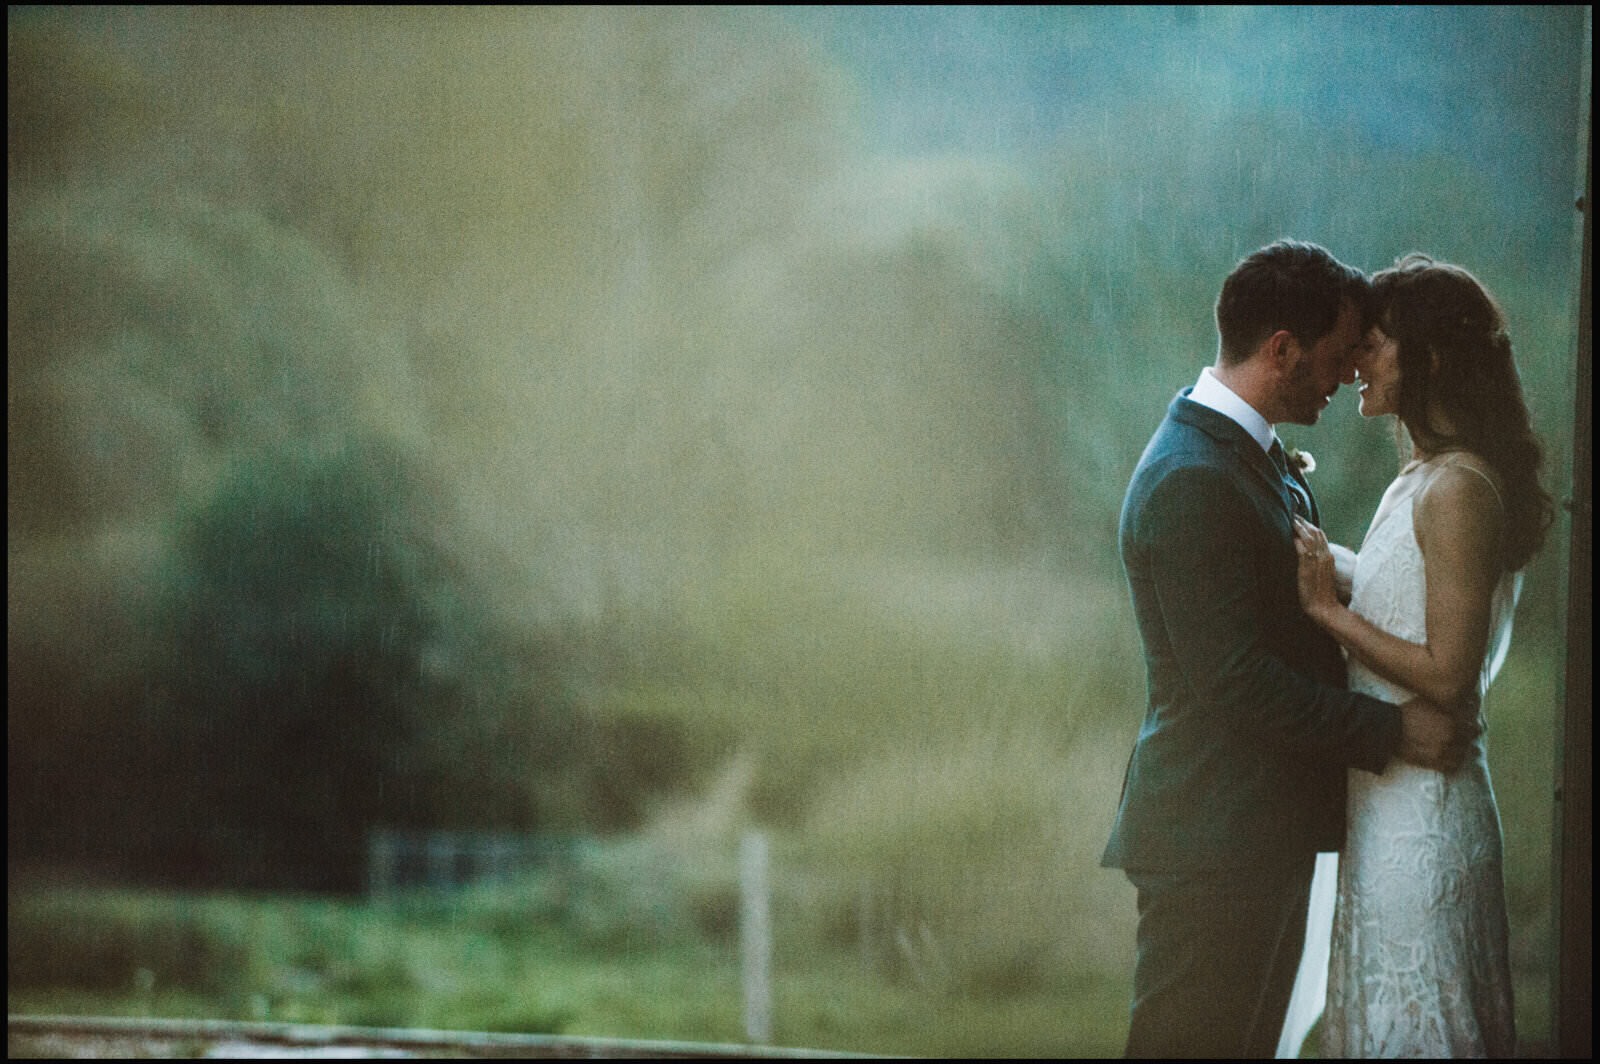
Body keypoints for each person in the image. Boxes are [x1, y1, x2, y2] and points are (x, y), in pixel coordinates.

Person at [1101, 239, 1475, 1059]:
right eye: (1338, 357)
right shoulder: (1193, 477)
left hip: (1255, 833)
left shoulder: (1246, 455)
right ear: (1281, 350)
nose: (1347, 376)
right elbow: (1236, 684)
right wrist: (1394, 732)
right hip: (1213, 840)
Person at [1290, 254, 1551, 1057]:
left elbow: (1450, 674)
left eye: (1376, 344)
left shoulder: (1462, 488)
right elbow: (1400, 593)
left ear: (1431, 359)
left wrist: (1325, 612)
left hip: (1427, 826)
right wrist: (1308, 544)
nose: (1358, 360)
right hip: (1385, 805)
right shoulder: (1421, 478)